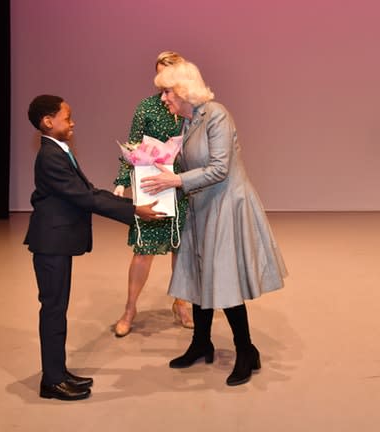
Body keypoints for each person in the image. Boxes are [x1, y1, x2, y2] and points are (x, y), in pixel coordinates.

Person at [142, 61, 288, 386]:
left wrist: (176, 180)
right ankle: (201, 343)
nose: (163, 98)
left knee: (225, 279)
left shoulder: (216, 114)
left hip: (225, 205)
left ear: (182, 90)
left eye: (166, 91)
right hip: (202, 204)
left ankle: (246, 351)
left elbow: (220, 168)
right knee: (197, 274)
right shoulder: (189, 120)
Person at [24, 94, 163, 401]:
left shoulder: (59, 151)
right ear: (48, 122)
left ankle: (57, 373)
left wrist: (133, 204)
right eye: (67, 117)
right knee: (54, 311)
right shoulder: (50, 156)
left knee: (57, 309)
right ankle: (52, 381)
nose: (72, 122)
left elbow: (90, 192)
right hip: (51, 243)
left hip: (56, 242)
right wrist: (134, 211)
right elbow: (86, 198)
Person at [111, 51, 193, 337]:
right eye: (157, 74)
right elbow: (133, 146)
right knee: (143, 251)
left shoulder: (190, 105)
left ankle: (181, 302)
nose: (161, 82)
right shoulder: (146, 106)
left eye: (166, 75)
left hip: (181, 186)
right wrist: (123, 180)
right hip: (151, 186)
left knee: (180, 249)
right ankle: (130, 308)